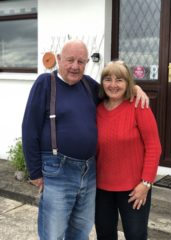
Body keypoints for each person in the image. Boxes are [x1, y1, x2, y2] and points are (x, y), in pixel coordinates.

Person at [22, 40, 149, 240]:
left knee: (81, 231)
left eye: (81, 61)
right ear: (58, 59)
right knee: (53, 233)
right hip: (58, 169)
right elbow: (29, 128)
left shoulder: (88, 85)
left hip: (89, 173)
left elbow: (114, 89)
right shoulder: (46, 83)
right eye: (70, 60)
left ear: (87, 62)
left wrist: (135, 88)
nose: (75, 66)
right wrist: (35, 171)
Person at [95, 60, 162, 240]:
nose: (113, 85)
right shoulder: (96, 108)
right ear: (102, 83)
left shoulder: (138, 106)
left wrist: (146, 183)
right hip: (101, 188)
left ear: (128, 84)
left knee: (136, 235)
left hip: (134, 189)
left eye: (119, 80)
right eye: (108, 79)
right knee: (105, 235)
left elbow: (154, 146)